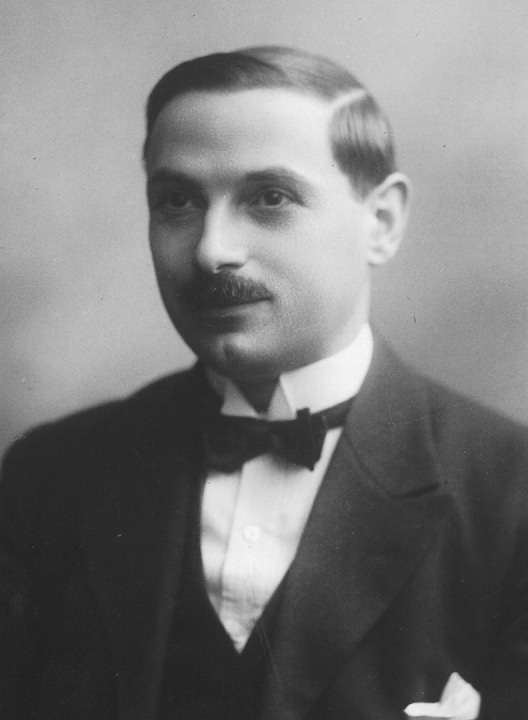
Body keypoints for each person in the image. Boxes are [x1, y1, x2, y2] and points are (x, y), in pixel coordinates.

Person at [1, 46, 527, 720]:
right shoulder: (50, 477)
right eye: (177, 201)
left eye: (270, 198)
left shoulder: (511, 494)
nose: (211, 249)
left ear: (382, 222)